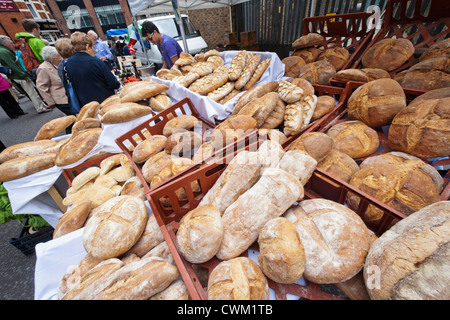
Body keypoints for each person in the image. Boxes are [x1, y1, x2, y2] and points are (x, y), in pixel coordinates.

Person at [64, 31, 120, 106]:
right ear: (87, 47)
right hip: (105, 102)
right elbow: (114, 84)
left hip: (85, 104)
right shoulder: (96, 62)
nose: (94, 50)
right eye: (93, 47)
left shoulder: (67, 63)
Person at [0, 35, 51, 114]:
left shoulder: (4, 51)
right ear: (5, 43)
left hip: (17, 75)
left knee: (32, 90)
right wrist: (24, 75)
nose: (13, 44)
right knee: (31, 91)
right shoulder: (4, 52)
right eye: (10, 42)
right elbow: (13, 66)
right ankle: (40, 108)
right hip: (19, 75)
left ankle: (42, 105)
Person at [36, 46, 75, 121]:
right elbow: (41, 86)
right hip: (60, 98)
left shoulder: (58, 65)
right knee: (72, 117)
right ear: (51, 59)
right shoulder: (43, 68)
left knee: (71, 118)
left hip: (69, 94)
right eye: (58, 57)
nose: (60, 59)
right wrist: (50, 102)